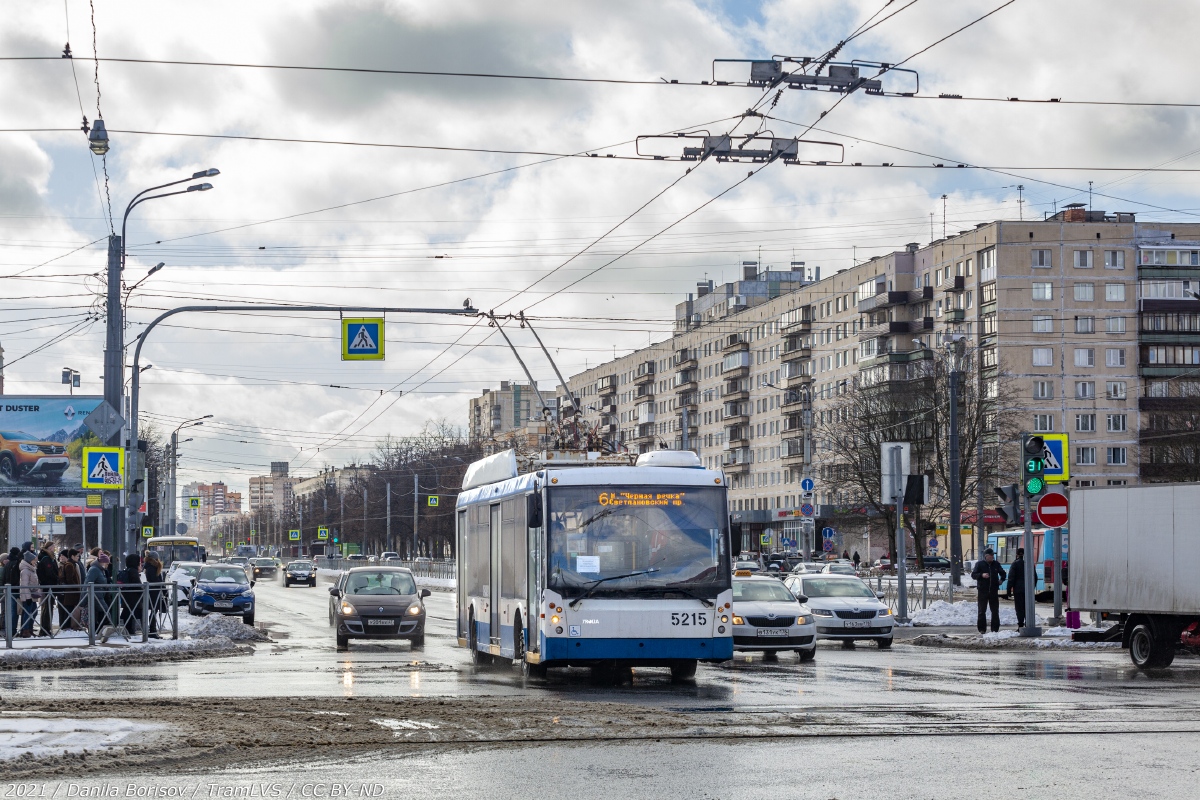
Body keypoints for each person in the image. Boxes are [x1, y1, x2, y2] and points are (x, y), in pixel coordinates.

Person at [971, 547, 1007, 634]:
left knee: (995, 611)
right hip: (983, 591)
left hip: (993, 591)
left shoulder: (996, 564)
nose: (992, 557)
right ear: (986, 556)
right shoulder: (980, 564)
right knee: (982, 610)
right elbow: (973, 575)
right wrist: (981, 575)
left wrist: (1001, 580)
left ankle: (995, 629)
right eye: (991, 555)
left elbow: (1003, 573)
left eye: (993, 555)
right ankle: (982, 629)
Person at [115, 553, 143, 638]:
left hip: (127, 596)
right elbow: (137, 585)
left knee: (127, 613)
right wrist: (143, 591)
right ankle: (130, 631)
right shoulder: (133, 571)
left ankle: (128, 630)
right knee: (131, 614)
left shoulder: (128, 570)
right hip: (133, 598)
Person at [36, 543, 58, 637]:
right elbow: (49, 573)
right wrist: (57, 577)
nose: (54, 548)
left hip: (49, 585)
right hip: (49, 585)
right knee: (47, 608)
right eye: (53, 547)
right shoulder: (46, 558)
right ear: (49, 548)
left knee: (48, 607)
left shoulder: (48, 558)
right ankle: (45, 629)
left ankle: (46, 628)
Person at [58, 550, 82, 631]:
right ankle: (66, 626)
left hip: (71, 591)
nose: (78, 558)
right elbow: (69, 580)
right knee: (69, 609)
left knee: (69, 609)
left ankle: (67, 626)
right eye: (77, 556)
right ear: (72, 556)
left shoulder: (71, 564)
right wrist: (77, 587)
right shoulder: (69, 565)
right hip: (70, 592)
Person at [18, 552, 40, 638]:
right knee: (28, 613)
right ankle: (25, 630)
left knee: (34, 612)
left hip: (32, 595)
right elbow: (24, 585)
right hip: (28, 596)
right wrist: (27, 597)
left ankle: (29, 629)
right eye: (34, 560)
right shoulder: (25, 571)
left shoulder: (31, 569)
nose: (35, 561)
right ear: (29, 560)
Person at [142, 552, 163, 638]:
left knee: (155, 610)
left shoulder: (151, 566)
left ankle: (152, 629)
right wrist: (162, 584)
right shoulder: (151, 567)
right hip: (153, 592)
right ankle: (152, 630)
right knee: (154, 610)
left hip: (155, 591)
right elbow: (154, 580)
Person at [1007, 547, 1027, 628]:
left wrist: (1009, 590)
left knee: (1019, 608)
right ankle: (1028, 623)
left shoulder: (1015, 564)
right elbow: (1035, 577)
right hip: (1027, 590)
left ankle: (1020, 625)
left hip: (1018, 590)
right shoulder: (1028, 563)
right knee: (1027, 607)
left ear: (1016, 555)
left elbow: (1011, 578)